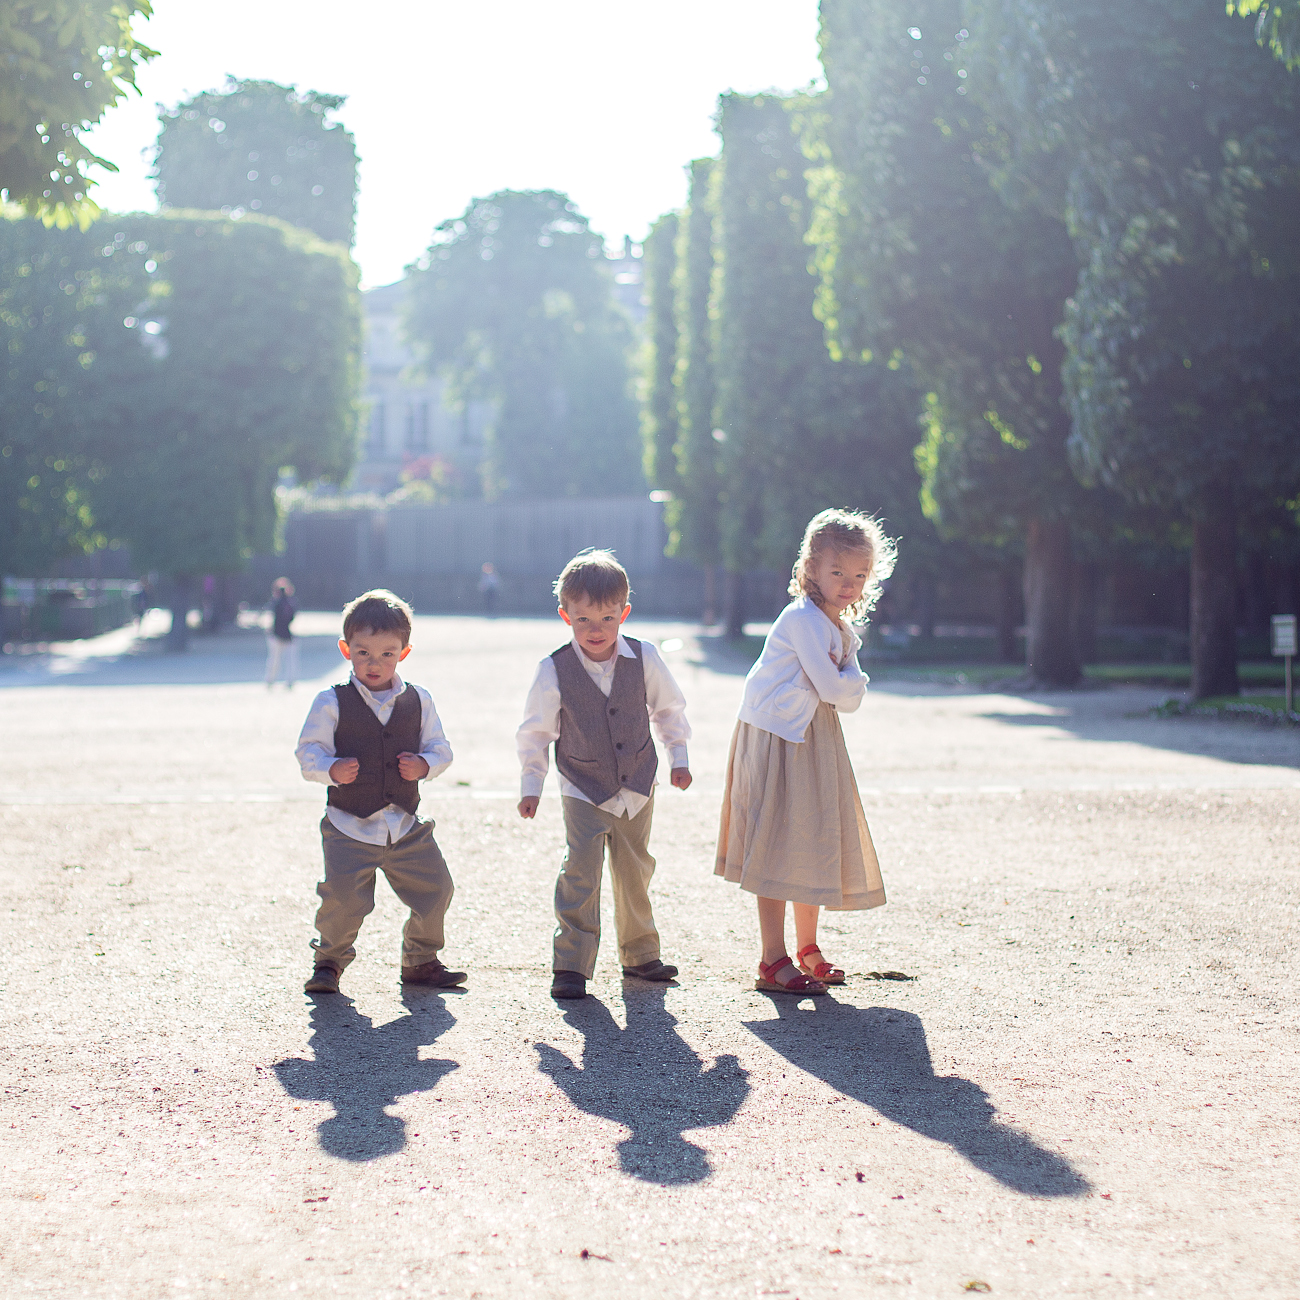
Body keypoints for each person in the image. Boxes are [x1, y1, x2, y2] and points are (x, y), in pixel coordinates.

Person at [715, 508, 896, 995]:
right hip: (778, 737)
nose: (849, 584)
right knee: (776, 843)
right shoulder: (802, 620)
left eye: (859, 575)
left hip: (812, 734)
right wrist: (852, 678)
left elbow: (846, 697)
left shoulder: (835, 624)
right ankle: (771, 959)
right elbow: (840, 690)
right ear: (811, 568)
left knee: (810, 838)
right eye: (837, 572)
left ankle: (807, 947)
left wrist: (849, 681)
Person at [516, 549, 693, 1000]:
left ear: (624, 613)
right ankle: (572, 964)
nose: (596, 631)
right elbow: (536, 731)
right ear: (565, 617)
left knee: (635, 868)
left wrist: (680, 757)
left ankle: (640, 955)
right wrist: (531, 785)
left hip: (637, 784)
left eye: (608, 619)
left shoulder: (644, 657)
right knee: (581, 870)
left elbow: (668, 708)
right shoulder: (553, 669)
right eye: (583, 621)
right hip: (582, 785)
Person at [294, 589, 466, 995]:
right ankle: (329, 962)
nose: (375, 663)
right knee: (343, 901)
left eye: (387, 654)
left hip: (405, 823)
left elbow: (441, 749)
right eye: (363, 653)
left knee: (436, 888)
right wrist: (331, 769)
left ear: (404, 652)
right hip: (349, 825)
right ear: (345, 649)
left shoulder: (419, 700)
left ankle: (420, 960)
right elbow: (308, 752)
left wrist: (424, 765)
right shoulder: (331, 701)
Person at [265, 578, 298, 689]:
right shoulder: (289, 603)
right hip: (286, 634)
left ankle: (271, 680)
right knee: (287, 660)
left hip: (276, 634)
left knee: (275, 660)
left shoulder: (276, 602)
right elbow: (292, 617)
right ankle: (288, 681)